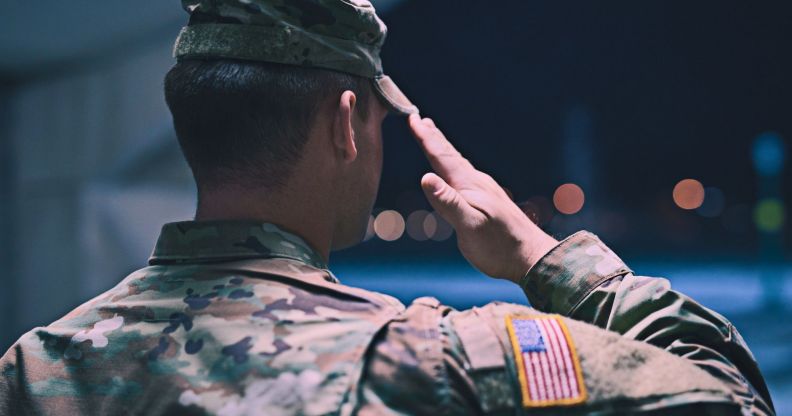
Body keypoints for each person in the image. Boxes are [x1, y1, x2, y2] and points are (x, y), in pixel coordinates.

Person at [0, 1, 775, 415]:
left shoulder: (35, 369)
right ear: (346, 122)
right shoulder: (433, 363)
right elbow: (726, 396)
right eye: (377, 120)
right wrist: (547, 259)